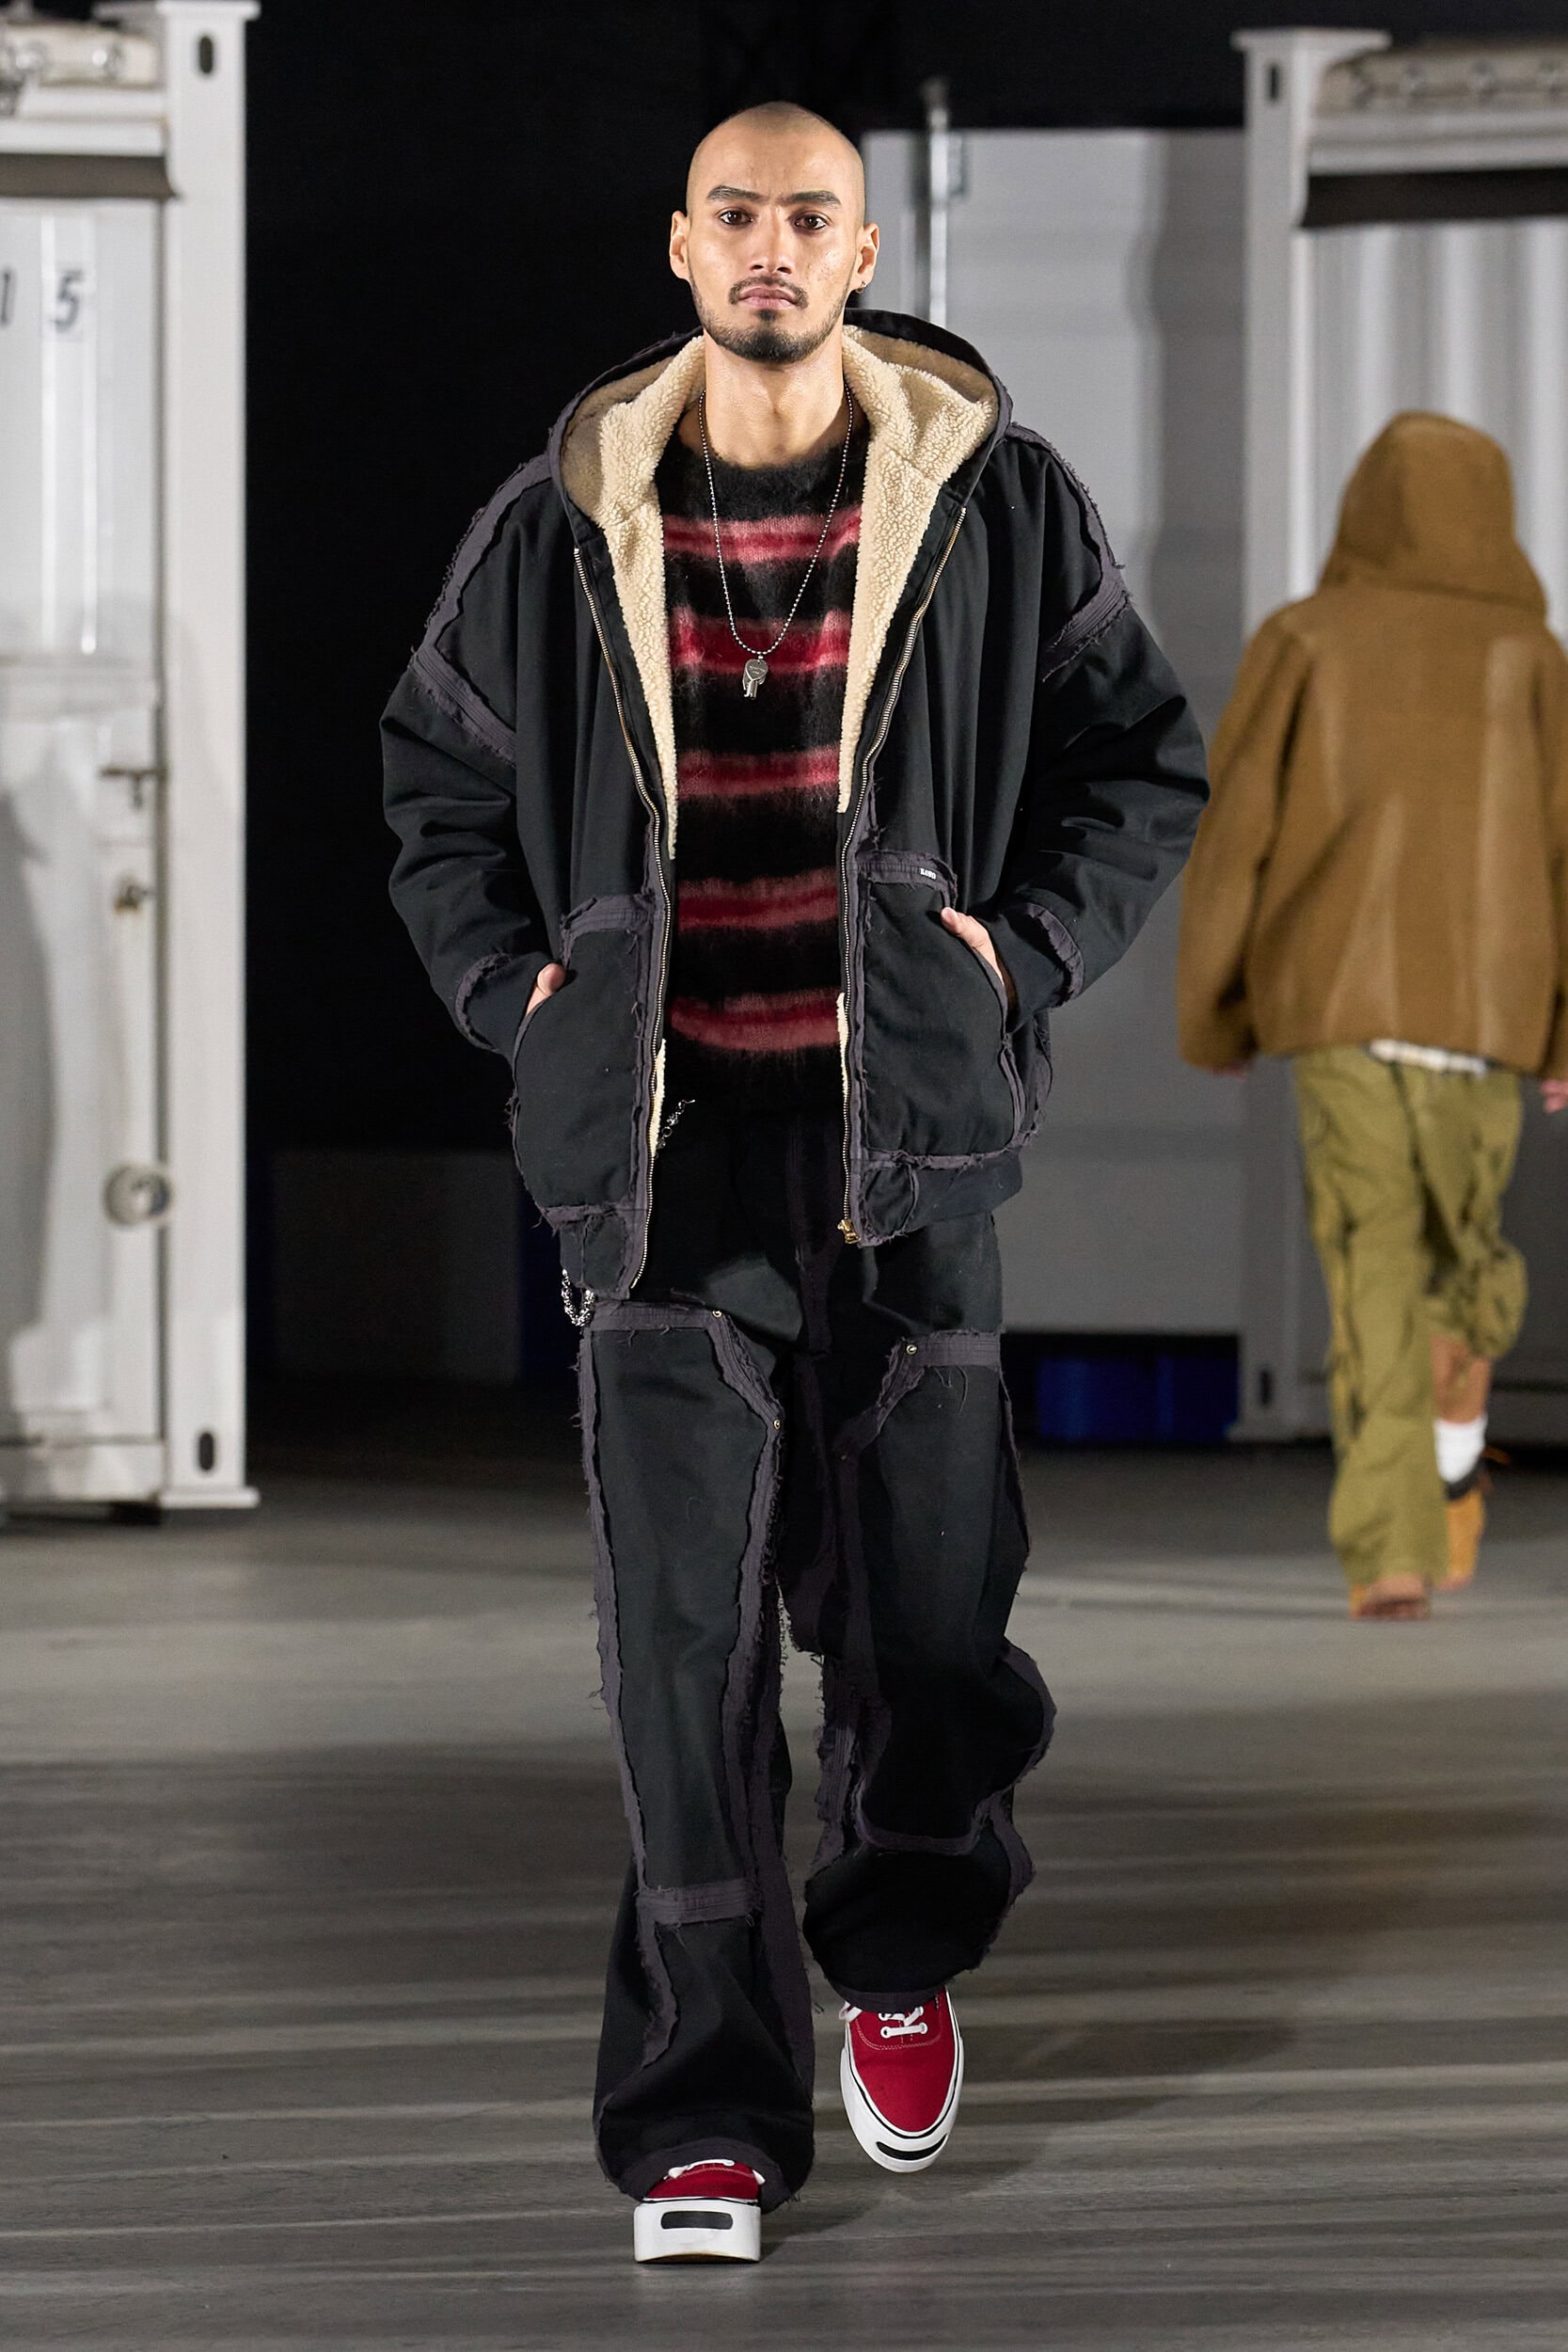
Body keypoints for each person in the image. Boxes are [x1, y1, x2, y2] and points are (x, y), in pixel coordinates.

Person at [384, 102, 1206, 2259]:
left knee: (928, 1627)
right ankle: (706, 2120)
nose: (769, 246)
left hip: (907, 1161)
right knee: (683, 1664)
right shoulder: (561, 527)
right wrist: (522, 996)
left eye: (808, 217)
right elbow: (437, 781)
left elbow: (1143, 757)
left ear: (863, 252)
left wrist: (1017, 955)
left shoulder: (997, 502)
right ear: (681, 244)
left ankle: (905, 1938)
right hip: (660, 1176)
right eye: (735, 213)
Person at [1179, 412, 1568, 1624]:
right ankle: (1392, 1545)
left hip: (1337, 996)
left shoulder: (1302, 639)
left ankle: (1446, 1439)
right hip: (1484, 1009)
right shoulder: (1532, 655)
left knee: (1409, 1272)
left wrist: (1217, 1011)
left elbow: (1233, 838)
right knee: (1404, 1267)